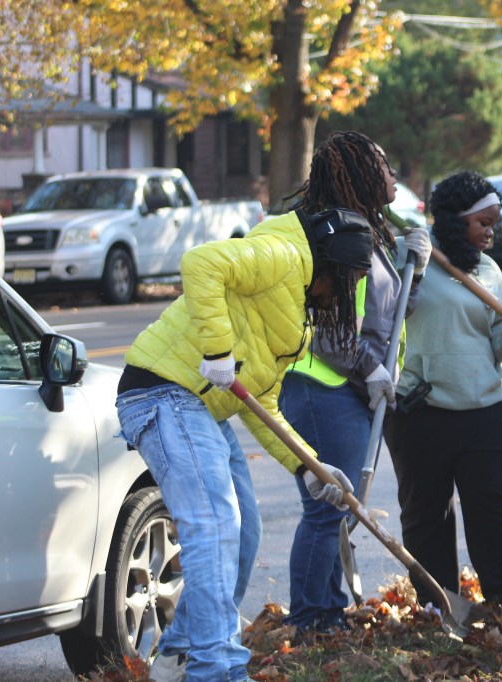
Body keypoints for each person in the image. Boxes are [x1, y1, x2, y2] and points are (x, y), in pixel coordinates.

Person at [115, 138, 375, 682]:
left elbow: (264, 402)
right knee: (214, 521)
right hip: (162, 391)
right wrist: (216, 351)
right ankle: (216, 668)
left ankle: (183, 649)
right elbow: (201, 263)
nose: (338, 296)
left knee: (245, 530)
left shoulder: (300, 307)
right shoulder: (283, 256)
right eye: (343, 282)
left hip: (202, 405)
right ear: (326, 264)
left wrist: (307, 467)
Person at [276, 131, 432, 634]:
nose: (392, 176)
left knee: (339, 511)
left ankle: (329, 611)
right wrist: (370, 368)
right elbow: (326, 328)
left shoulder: (372, 231)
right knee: (328, 509)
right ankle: (310, 621)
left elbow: (387, 318)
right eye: (384, 167)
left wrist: (418, 271)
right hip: (319, 388)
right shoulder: (336, 234)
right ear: (362, 175)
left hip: (352, 389)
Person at [384, 170, 502, 610]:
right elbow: (381, 317)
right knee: (426, 511)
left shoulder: (487, 269)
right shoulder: (409, 257)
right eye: (483, 223)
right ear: (455, 221)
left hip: (484, 407)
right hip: (421, 408)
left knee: (492, 504)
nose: (491, 232)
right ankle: (439, 600)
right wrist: (411, 273)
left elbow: (496, 336)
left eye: (494, 223)